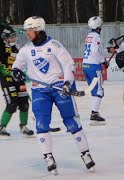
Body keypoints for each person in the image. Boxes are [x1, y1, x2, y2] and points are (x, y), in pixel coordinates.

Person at [11, 16, 95, 174]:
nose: (27, 33)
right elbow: (18, 64)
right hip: (39, 90)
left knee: (71, 122)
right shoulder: (25, 49)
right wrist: (16, 71)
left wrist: (67, 83)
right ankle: (48, 156)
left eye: (29, 30)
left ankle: (85, 154)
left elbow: (68, 65)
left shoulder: (54, 45)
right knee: (41, 124)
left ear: (38, 30)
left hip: (59, 89)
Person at [0, 21, 34, 138]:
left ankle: (24, 127)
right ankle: (2, 128)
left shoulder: (18, 49)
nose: (13, 39)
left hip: (19, 80)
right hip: (7, 80)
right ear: (5, 39)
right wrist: (2, 25)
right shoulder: (1, 48)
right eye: (11, 37)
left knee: (24, 103)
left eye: (14, 36)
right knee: (12, 103)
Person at [83, 16, 109, 125]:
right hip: (94, 66)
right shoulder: (97, 37)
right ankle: (94, 113)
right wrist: (103, 61)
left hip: (86, 65)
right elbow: (95, 52)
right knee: (99, 90)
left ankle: (94, 112)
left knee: (94, 90)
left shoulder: (88, 36)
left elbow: (94, 50)